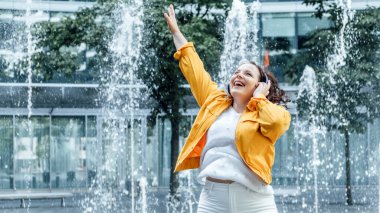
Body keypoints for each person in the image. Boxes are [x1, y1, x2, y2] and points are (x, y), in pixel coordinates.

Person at [164, 4, 291, 213]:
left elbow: (277, 124)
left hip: (255, 200)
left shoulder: (267, 112)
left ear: (259, 86)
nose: (238, 75)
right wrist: (177, 34)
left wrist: (259, 99)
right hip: (213, 198)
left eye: (248, 74)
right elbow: (194, 69)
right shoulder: (215, 102)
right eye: (237, 72)